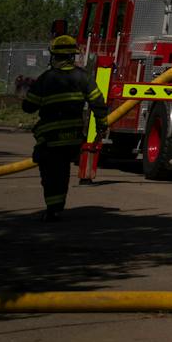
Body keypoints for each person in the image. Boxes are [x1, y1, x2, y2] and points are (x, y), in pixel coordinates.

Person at [21, 35, 105, 219]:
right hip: (73, 136)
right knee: (63, 171)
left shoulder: (46, 78)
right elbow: (98, 102)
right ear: (72, 56)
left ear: (54, 56)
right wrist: (102, 124)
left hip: (50, 138)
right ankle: (57, 207)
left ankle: (53, 209)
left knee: (50, 174)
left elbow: (28, 107)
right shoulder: (83, 77)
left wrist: (25, 92)